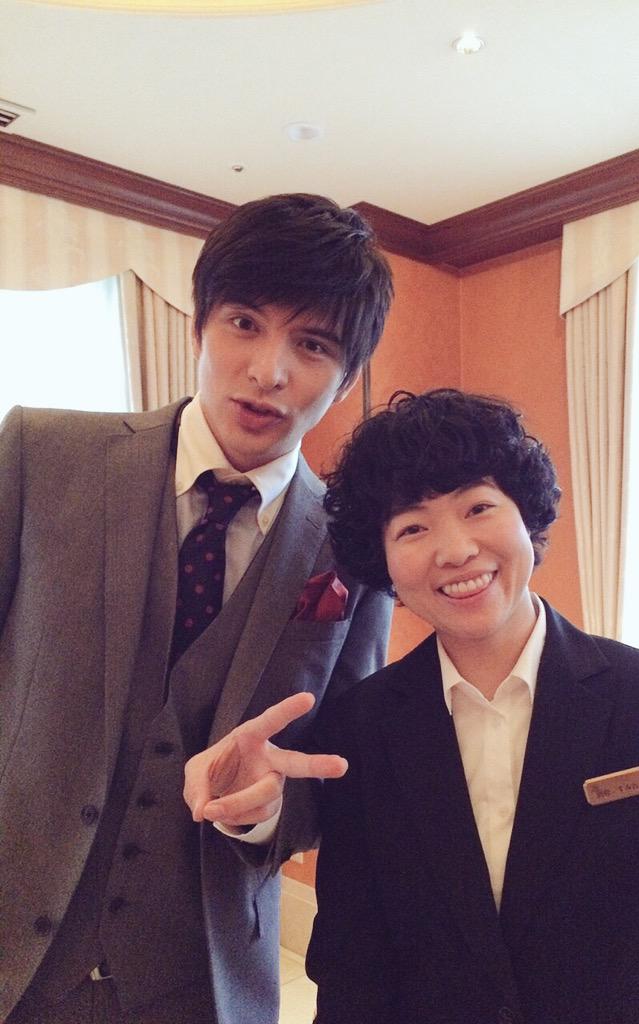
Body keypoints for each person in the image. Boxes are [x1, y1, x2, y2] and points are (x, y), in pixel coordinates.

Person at [0, 194, 393, 1024]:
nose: (269, 371)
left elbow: (337, 772)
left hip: (202, 980)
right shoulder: (41, 455)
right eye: (245, 323)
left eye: (312, 345)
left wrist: (269, 812)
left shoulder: (357, 546)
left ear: (348, 377)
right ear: (198, 324)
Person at [298, 388, 639, 1024]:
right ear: (382, 558)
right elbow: (350, 963)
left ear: (528, 515)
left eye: (478, 507)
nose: (455, 549)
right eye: (412, 527)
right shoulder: (360, 725)